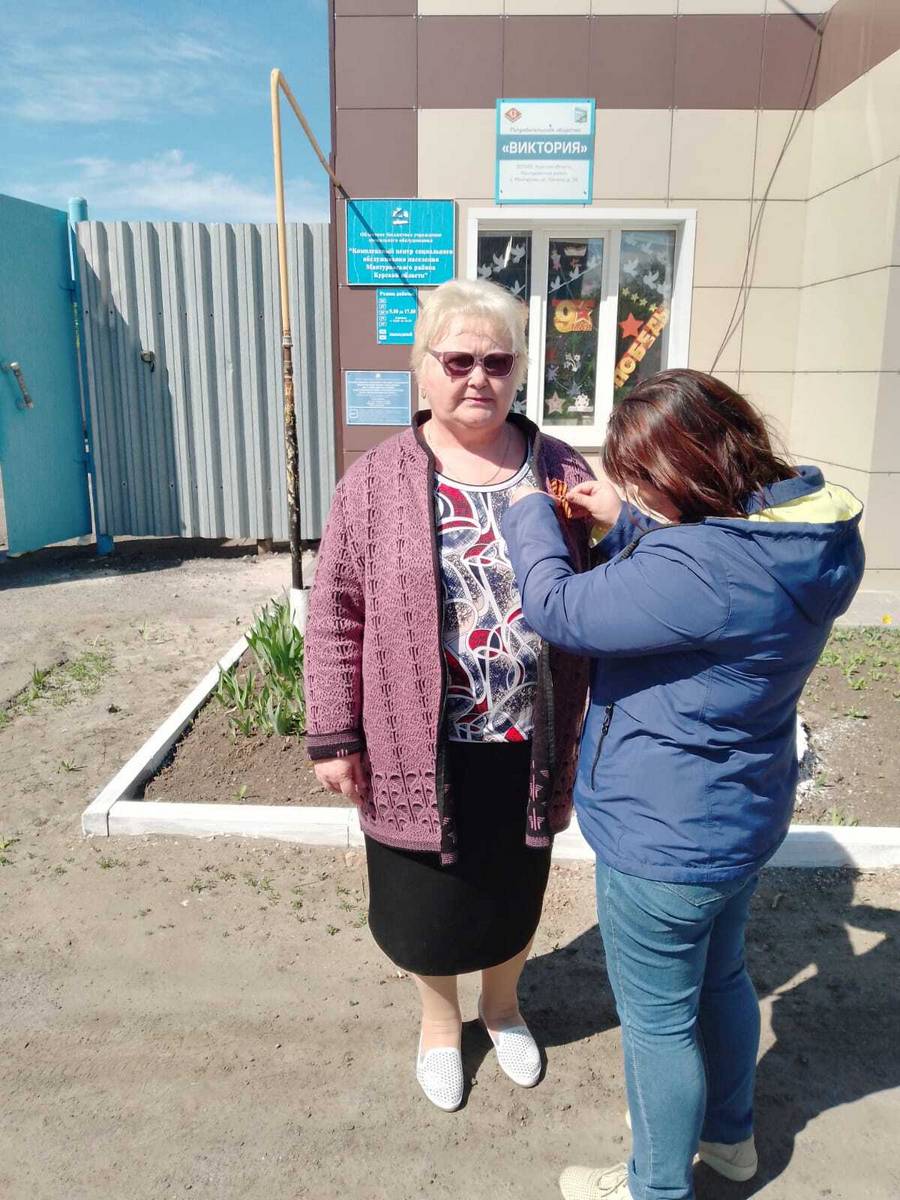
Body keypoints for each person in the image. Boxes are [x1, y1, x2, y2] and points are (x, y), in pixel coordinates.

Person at [502, 369, 865, 1200]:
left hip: (664, 835)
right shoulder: (804, 536)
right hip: (741, 817)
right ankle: (730, 1142)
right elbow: (711, 569)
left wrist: (528, 514)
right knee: (722, 978)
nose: (633, 494)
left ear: (685, 473)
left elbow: (560, 608)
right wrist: (626, 516)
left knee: (659, 1025)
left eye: (640, 480)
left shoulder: (702, 568)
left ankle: (656, 1188)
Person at [304, 278, 593, 1112]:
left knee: (514, 888)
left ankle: (502, 1007)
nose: (478, 378)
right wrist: (335, 734)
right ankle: (439, 1023)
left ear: (520, 370)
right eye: (458, 359)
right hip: (412, 742)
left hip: (529, 737)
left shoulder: (560, 470)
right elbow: (336, 610)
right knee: (424, 904)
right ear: (423, 368)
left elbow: (608, 587)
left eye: (497, 362)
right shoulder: (376, 479)